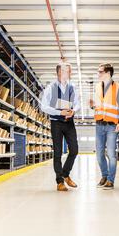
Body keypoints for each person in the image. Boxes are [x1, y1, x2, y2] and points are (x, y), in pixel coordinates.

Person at [41, 62, 81, 191]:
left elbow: (77, 103)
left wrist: (74, 110)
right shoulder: (50, 88)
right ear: (58, 72)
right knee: (57, 153)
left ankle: (65, 174)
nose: (68, 73)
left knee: (74, 150)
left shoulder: (72, 87)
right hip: (56, 123)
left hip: (69, 122)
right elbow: (44, 106)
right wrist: (59, 112)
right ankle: (60, 181)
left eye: (69, 71)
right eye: (65, 71)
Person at [89, 63, 119, 190]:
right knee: (99, 154)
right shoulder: (97, 87)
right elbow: (99, 105)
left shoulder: (118, 88)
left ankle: (110, 180)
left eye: (100, 72)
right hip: (99, 124)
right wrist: (92, 105)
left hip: (112, 125)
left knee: (110, 153)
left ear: (108, 73)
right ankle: (104, 176)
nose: (98, 74)